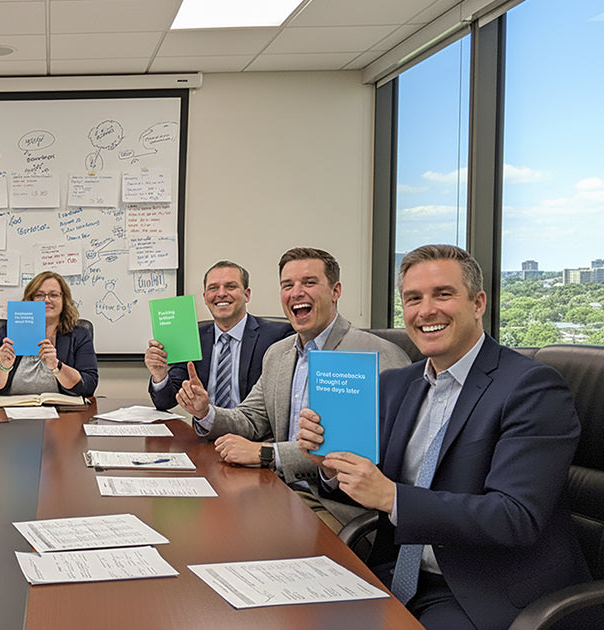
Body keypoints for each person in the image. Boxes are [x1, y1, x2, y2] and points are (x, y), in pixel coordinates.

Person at [298, 245, 590, 629]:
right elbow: (369, 485)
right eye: (413, 298)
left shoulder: (532, 388)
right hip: (395, 571)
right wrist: (332, 466)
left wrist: (392, 497)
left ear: (478, 303)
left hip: (482, 589)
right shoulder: (396, 384)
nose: (426, 310)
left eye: (443, 294)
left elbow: (514, 517)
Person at [177, 247, 410, 531]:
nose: (296, 292)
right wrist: (205, 412)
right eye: (288, 285)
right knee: (199, 525)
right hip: (274, 489)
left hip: (336, 507)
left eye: (309, 283)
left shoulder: (372, 356)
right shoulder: (278, 354)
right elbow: (250, 420)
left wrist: (268, 453)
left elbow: (354, 455)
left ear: (336, 291)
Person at [145, 260, 292, 411]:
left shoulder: (277, 337)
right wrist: (160, 375)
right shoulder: (194, 336)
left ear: (247, 295)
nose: (221, 294)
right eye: (213, 288)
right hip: (206, 429)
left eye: (231, 287)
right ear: (205, 297)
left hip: (253, 432)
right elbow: (165, 402)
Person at [0, 271, 98, 397]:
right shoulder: (8, 331)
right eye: (40, 295)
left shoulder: (79, 335)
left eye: (54, 295)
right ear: (31, 299)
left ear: (64, 300)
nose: (47, 300)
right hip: (11, 409)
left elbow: (89, 385)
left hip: (62, 412)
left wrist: (57, 366)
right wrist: (3, 367)